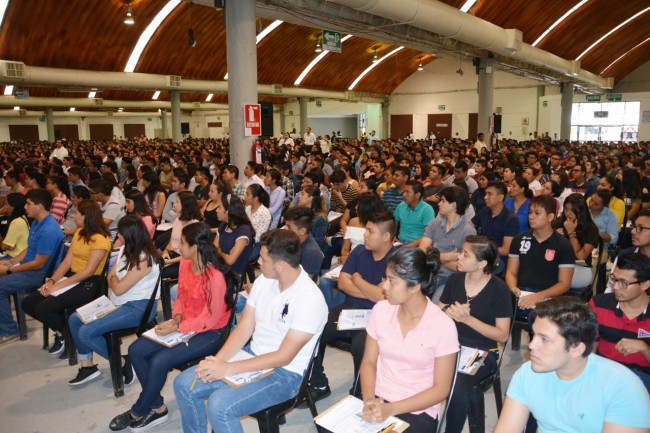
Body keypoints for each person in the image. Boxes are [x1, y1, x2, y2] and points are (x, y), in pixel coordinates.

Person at [173, 229, 328, 433]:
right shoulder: (264, 281)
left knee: (220, 405)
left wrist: (229, 369)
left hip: (285, 374)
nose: (258, 263)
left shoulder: (310, 299)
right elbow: (244, 328)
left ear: (280, 266)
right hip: (253, 355)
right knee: (184, 384)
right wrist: (218, 361)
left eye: (263, 259)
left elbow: (284, 357)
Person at [108, 223, 239, 432]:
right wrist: (176, 318)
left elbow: (212, 318)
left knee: (160, 360)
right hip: (185, 323)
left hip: (211, 332)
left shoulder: (214, 277)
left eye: (182, 243)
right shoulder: (186, 264)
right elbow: (181, 296)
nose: (177, 247)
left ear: (195, 246)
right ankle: (157, 407)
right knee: (135, 351)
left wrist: (180, 326)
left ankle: (137, 411)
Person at [494, 297, 650, 433]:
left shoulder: (624, 388)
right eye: (534, 335)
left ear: (576, 349)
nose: (531, 345)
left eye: (544, 339)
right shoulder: (527, 373)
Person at [357, 247, 458, 433]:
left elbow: (441, 389)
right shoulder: (381, 310)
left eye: (392, 281)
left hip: (418, 408)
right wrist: (369, 400)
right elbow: (369, 361)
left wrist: (390, 409)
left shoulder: (443, 326)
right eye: (386, 278)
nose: (384, 287)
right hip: (378, 397)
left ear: (415, 286)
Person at [309, 211, 399, 400]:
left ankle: (359, 394)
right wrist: (371, 289)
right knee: (311, 328)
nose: (364, 235)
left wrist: (357, 280)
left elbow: (384, 298)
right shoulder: (359, 251)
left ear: (385, 237)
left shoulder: (398, 259)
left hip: (379, 317)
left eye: (369, 231)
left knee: (362, 347)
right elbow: (342, 283)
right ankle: (318, 382)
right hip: (349, 310)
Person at [67, 215, 162, 385]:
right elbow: (110, 276)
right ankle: (87, 365)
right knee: (74, 319)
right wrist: (115, 281)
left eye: (120, 234)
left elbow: (117, 287)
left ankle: (123, 363)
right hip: (117, 302)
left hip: (138, 307)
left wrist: (115, 281)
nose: (117, 237)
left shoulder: (145, 258)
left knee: (86, 332)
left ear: (130, 235)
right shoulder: (126, 250)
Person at [438, 236, 511, 433]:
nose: (458, 257)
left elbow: (502, 335)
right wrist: (449, 312)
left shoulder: (499, 290)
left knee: (458, 388)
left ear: (481, 263)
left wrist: (467, 319)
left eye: (465, 254)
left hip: (482, 351)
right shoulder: (455, 279)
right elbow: (440, 310)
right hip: (450, 345)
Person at [22, 199, 111, 357]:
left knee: (44, 308)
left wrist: (58, 287)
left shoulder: (100, 239)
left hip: (90, 283)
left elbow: (89, 272)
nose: (73, 216)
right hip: (73, 278)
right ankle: (64, 333)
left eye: (76, 213)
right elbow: (67, 261)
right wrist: (52, 281)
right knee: (28, 303)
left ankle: (69, 336)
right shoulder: (79, 233)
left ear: (86, 216)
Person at [0, 189, 65, 344]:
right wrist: (10, 262)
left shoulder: (48, 229)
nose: (25, 207)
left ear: (39, 206)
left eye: (28, 204)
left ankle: (9, 330)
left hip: (39, 273)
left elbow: (38, 264)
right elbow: (29, 248)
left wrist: (9, 269)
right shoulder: (37, 222)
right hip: (29, 267)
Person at [590, 253, 650, 392]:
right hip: (604, 372)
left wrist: (644, 348)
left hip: (642, 378)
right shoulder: (599, 304)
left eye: (624, 283)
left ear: (645, 284)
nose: (615, 287)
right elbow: (590, 348)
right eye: (614, 279)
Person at [506, 194, 575, 311]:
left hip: (549, 297)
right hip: (520, 292)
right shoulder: (518, 240)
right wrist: (513, 288)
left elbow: (564, 283)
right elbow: (511, 272)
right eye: (530, 212)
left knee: (537, 317)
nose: (531, 216)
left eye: (537, 213)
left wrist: (538, 296)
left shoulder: (564, 245)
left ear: (550, 217)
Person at [419, 186, 476, 301]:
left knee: (435, 307)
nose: (439, 204)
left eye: (443, 201)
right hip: (427, 274)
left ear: (453, 205)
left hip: (450, 279)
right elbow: (422, 251)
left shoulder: (468, 231)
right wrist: (447, 257)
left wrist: (434, 256)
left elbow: (462, 267)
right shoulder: (435, 223)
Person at [471, 181, 519, 274]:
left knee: (474, 270)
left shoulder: (511, 219)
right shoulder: (484, 211)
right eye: (485, 194)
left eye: (489, 194)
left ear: (500, 197)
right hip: (480, 253)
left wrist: (482, 250)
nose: (485, 197)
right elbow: (469, 225)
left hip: (497, 258)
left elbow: (506, 250)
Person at [553, 193, 599, 288]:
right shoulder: (559, 224)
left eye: (573, 210)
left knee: (549, 275)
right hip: (557, 264)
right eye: (566, 209)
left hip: (580, 269)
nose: (568, 213)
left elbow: (580, 257)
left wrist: (571, 233)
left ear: (581, 211)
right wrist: (555, 236)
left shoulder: (591, 228)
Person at [161, 191, 202, 279]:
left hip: (185, 260)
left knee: (161, 273)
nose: (174, 205)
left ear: (185, 205)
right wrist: (165, 252)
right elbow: (171, 242)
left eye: (177, 202)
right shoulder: (178, 220)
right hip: (172, 255)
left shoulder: (194, 225)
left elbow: (190, 254)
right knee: (153, 268)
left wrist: (169, 261)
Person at [214, 196, 254, 277]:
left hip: (232, 275)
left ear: (228, 211)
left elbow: (230, 261)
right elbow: (212, 248)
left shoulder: (243, 231)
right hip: (219, 268)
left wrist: (220, 251)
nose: (216, 210)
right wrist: (225, 254)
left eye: (219, 207)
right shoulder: (223, 226)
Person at [283, 206, 324, 280]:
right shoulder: (292, 239)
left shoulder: (312, 253)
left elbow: (303, 283)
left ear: (302, 231)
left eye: (289, 227)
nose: (285, 229)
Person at [394, 180, 436, 247]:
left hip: (418, 245)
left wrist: (407, 247)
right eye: (404, 191)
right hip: (400, 242)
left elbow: (427, 235)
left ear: (417, 195)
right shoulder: (401, 206)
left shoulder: (427, 209)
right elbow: (394, 223)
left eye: (407, 192)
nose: (404, 195)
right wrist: (393, 237)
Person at [244, 184, 271, 261]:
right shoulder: (247, 209)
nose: (245, 196)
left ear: (255, 198)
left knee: (237, 254)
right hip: (246, 239)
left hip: (255, 244)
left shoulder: (265, 212)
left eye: (247, 194)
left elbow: (261, 235)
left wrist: (246, 240)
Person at [0, 193, 29, 259]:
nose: (4, 207)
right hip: (21, 254)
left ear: (13, 206)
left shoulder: (16, 222)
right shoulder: (24, 217)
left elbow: (4, 247)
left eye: (6, 204)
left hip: (14, 256)